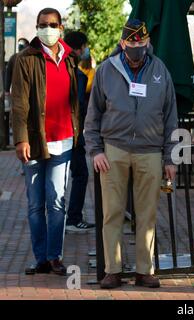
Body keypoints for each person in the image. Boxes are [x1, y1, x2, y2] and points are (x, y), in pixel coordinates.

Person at [84, 19, 178, 289]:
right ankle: (112, 270)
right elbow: (93, 115)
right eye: (132, 42)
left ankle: (144, 271)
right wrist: (96, 150)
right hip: (114, 149)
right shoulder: (106, 70)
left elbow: (171, 117)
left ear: (147, 42)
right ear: (123, 43)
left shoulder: (160, 70)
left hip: (150, 151)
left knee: (147, 214)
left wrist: (170, 157)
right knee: (112, 212)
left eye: (141, 42)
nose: (137, 47)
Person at [12, 8, 80, 276]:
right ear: (37, 27)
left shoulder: (70, 58)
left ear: (60, 27)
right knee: (34, 204)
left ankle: (55, 257)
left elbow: (76, 99)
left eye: (52, 24)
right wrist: (20, 139)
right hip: (34, 143)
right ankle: (40, 258)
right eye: (42, 25)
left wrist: (79, 130)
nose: (47, 29)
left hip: (63, 142)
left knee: (57, 202)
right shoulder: (25, 58)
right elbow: (19, 103)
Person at [63, 31, 95, 232]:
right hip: (73, 134)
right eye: (84, 47)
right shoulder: (78, 74)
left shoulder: (57, 67)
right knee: (81, 174)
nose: (85, 51)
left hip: (56, 131)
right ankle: (74, 218)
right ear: (79, 47)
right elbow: (80, 105)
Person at [4, 38, 30, 147]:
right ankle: (21, 140)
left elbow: (8, 75)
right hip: (18, 92)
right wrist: (6, 90)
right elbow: (8, 74)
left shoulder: (30, 57)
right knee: (18, 116)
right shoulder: (14, 58)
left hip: (26, 92)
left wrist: (6, 90)